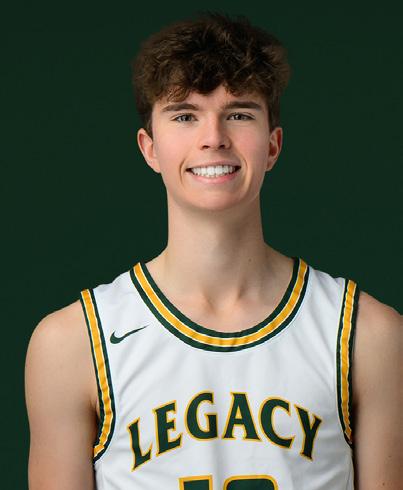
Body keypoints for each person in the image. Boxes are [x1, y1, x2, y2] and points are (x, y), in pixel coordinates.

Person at [25, 11, 402, 490]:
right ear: (149, 148)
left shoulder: (367, 337)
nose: (214, 138)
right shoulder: (72, 344)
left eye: (239, 114)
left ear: (273, 145)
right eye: (185, 116)